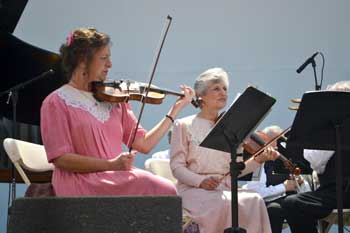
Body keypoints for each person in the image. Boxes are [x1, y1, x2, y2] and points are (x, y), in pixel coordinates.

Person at [40, 27, 194, 196]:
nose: (110, 64)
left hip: (114, 176)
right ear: (83, 61)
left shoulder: (115, 99)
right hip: (80, 181)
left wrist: (175, 110)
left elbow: (144, 144)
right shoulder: (56, 102)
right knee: (157, 187)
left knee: (164, 188)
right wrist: (111, 165)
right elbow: (61, 159)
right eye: (104, 58)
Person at [170, 67, 280, 233]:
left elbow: (237, 170)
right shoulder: (183, 125)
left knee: (254, 200)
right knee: (225, 203)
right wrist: (201, 181)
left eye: (225, 89)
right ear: (201, 97)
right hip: (195, 190)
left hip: (226, 189)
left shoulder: (232, 127)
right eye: (216, 88)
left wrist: (259, 160)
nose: (223, 92)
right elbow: (176, 167)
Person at [281, 80, 350, 233]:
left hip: (335, 192)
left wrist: (312, 131)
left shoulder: (327, 132)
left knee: (293, 204)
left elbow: (315, 163)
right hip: (336, 193)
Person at [242, 125, 311, 233]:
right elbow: (257, 193)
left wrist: (301, 183)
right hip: (267, 202)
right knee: (275, 209)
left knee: (300, 206)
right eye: (275, 141)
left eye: (281, 141)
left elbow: (306, 190)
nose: (278, 145)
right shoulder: (258, 162)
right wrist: (284, 187)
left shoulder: (286, 159)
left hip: (288, 200)